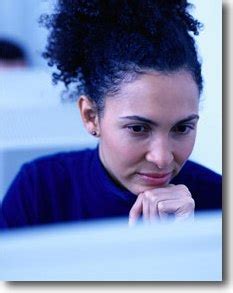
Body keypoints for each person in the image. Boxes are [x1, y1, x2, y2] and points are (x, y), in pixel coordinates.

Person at [0, 0, 221, 229]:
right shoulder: (39, 191)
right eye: (138, 128)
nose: (162, 158)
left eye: (182, 128)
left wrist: (191, 239)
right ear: (91, 116)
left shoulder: (218, 199)